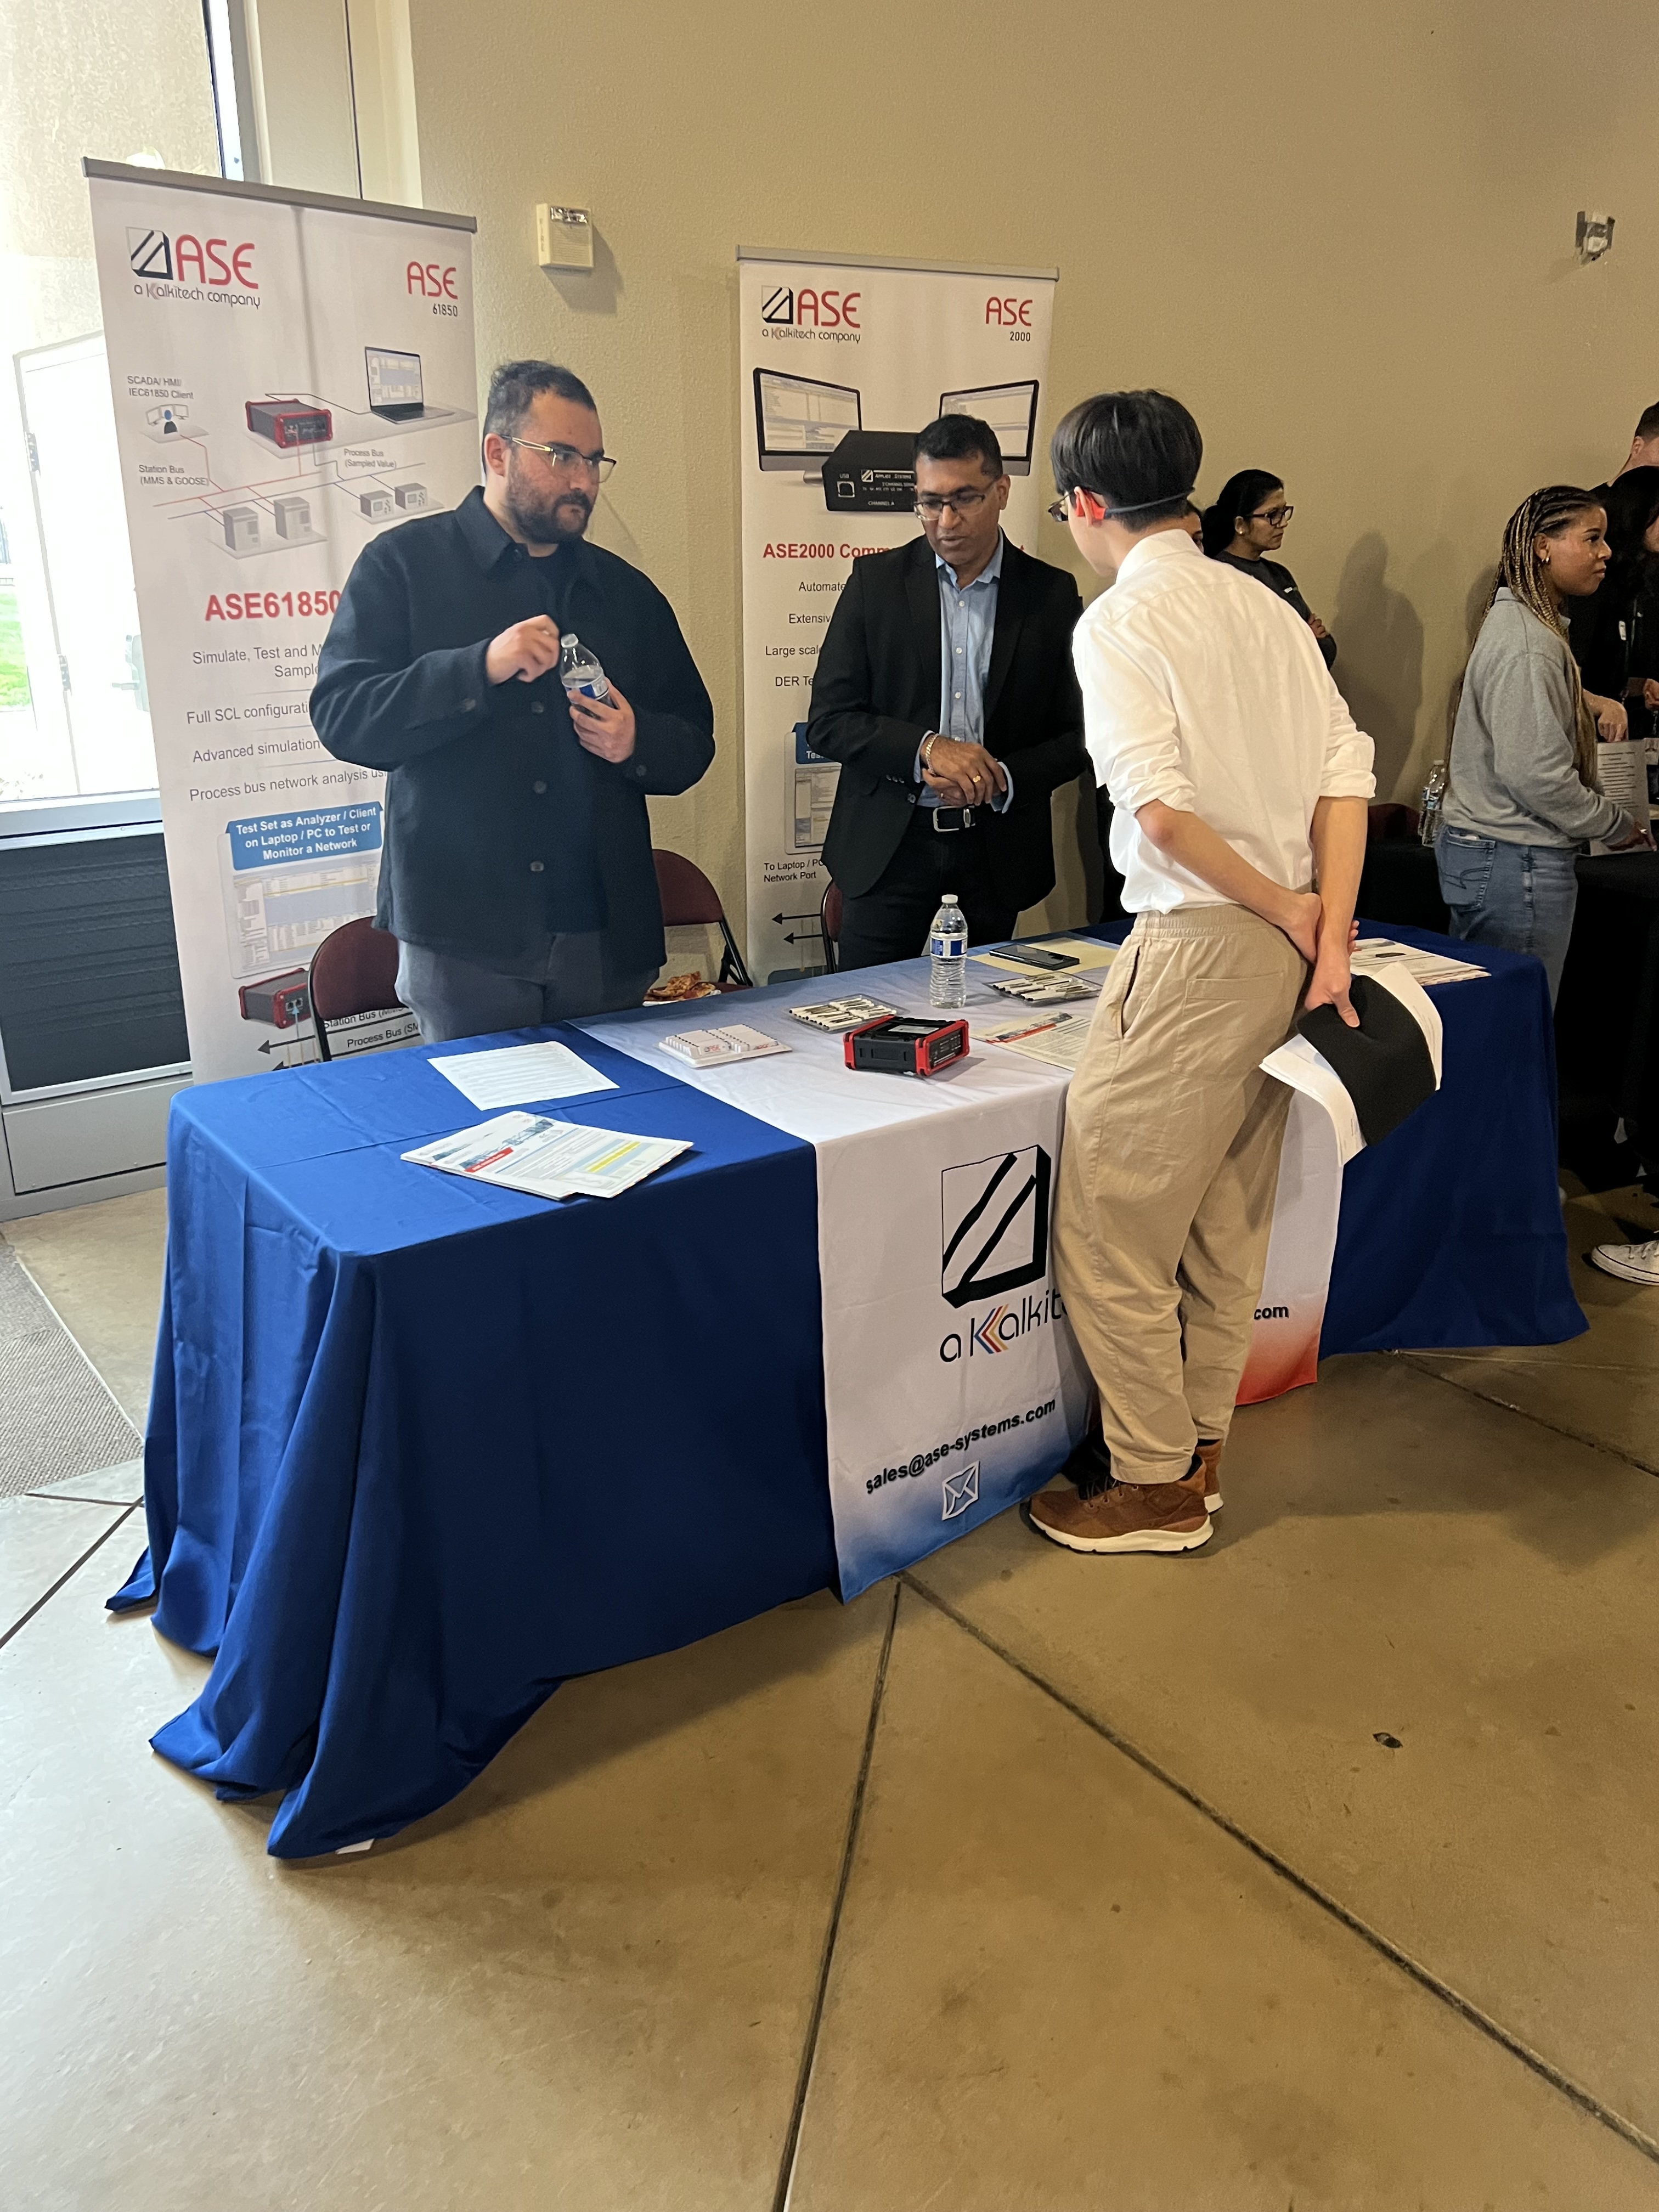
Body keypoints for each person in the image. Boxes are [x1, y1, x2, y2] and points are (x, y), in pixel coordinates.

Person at [1028, 391, 1374, 1559]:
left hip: (1204, 939)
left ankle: (1152, 1482)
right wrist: (1326, 930)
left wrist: (1284, 904)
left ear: (1084, 503)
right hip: (1286, 944)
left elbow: (1159, 812)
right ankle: (1202, 1448)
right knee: (1227, 1209)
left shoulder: (1118, 624)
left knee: (1109, 1219)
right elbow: (1346, 770)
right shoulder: (1265, 604)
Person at [311, 360, 714, 1040]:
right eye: (561, 456)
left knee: (624, 1137)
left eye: (593, 460)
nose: (583, 480)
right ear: (497, 453)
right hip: (466, 941)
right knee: (488, 1144)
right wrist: (477, 668)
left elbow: (694, 741)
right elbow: (345, 717)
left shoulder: (627, 594)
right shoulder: (402, 566)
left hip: (604, 940)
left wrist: (636, 741)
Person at [804, 414, 1087, 968]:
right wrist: (927, 748)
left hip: (994, 852)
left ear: (1002, 491)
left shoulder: (1050, 595)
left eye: (965, 499)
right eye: (930, 502)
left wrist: (999, 779)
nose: (946, 521)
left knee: (980, 1034)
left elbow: (1078, 736)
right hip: (889, 849)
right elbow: (830, 721)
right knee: (867, 1019)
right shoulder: (876, 586)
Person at [1436, 486, 1651, 1006]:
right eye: (1592, 539)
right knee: (1511, 1024)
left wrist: (1587, 699)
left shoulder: (1525, 628)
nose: (1605, 554)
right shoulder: (1528, 642)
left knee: (1489, 1021)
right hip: (1518, 861)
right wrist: (1617, 824)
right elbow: (1536, 775)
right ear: (1542, 547)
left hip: (1497, 856)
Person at [1201, 469, 1336, 668]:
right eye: (1272, 515)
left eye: (1284, 512)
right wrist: (1305, 638)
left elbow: (1325, 647)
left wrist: (1306, 639)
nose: (1282, 523)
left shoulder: (1279, 574)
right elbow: (1252, 656)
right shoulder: (1220, 577)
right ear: (1241, 525)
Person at [1566, 466, 1659, 742]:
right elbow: (1565, 682)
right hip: (1582, 743)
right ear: (1641, 512)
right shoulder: (1592, 584)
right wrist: (1603, 705)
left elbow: (1609, 672)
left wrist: (1641, 687)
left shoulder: (1632, 583)